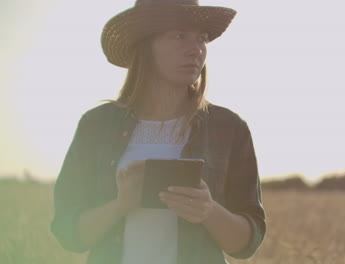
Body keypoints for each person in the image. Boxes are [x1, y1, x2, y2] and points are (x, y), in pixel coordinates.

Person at [50, 0, 266, 264]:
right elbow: (69, 234)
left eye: (202, 38)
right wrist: (121, 205)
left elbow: (247, 243)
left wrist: (208, 211)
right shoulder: (96, 126)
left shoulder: (229, 128)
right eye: (179, 36)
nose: (195, 49)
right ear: (145, 45)